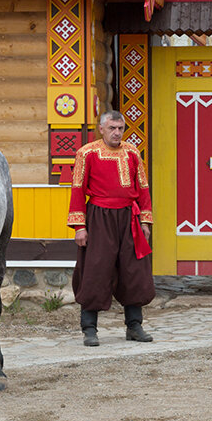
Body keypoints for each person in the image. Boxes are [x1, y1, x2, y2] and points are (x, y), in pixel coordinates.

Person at [67, 111, 155, 347]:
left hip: (129, 217)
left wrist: (145, 221)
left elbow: (143, 188)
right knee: (96, 270)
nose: (117, 133)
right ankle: (89, 328)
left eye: (120, 128)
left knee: (133, 270)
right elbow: (77, 190)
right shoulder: (86, 153)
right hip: (99, 217)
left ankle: (134, 326)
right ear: (102, 129)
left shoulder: (133, 152)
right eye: (112, 128)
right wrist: (79, 226)